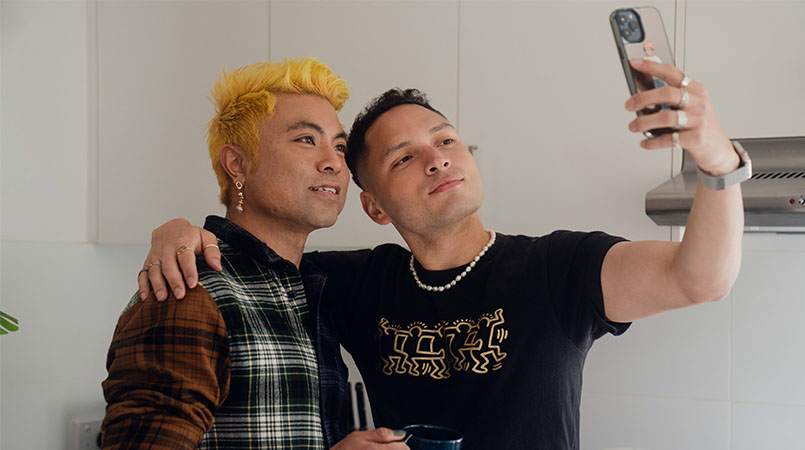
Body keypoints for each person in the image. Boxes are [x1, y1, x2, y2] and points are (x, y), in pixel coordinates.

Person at [140, 59, 747, 449]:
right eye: (402, 157)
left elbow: (700, 278)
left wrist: (718, 163)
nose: (436, 158)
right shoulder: (352, 283)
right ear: (373, 205)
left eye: (446, 139)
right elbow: (257, 260)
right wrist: (180, 232)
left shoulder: (557, 268)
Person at [101, 58, 409, 450]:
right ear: (238, 163)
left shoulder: (308, 291)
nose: (334, 162)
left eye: (340, 145)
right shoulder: (190, 289)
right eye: (305, 139)